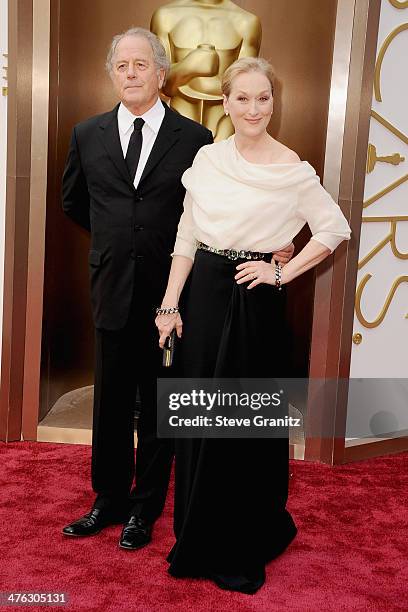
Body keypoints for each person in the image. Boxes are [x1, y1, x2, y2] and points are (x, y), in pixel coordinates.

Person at [61, 29, 293, 551]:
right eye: (121, 66)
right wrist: (116, 243)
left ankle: (145, 509)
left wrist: (275, 244)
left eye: (141, 65)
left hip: (176, 295)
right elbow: (75, 203)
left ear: (161, 74)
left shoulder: (194, 139)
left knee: (160, 401)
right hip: (113, 286)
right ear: (112, 74)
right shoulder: (86, 133)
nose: (131, 74)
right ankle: (107, 499)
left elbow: (226, 207)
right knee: (112, 401)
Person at [156, 57, 351, 593]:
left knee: (242, 428)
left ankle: (240, 543)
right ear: (226, 103)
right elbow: (187, 236)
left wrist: (281, 269)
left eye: (263, 97)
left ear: (274, 102)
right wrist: (169, 305)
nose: (253, 108)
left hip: (253, 300)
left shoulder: (293, 168)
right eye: (242, 98)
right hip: (203, 297)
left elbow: (335, 229)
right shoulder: (208, 159)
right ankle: (196, 537)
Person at [151, 0, 261, 139]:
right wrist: (189, 66)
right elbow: (161, 86)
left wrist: (202, 82)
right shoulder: (165, 16)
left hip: (225, 121)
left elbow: (245, 90)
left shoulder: (247, 22)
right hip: (178, 117)